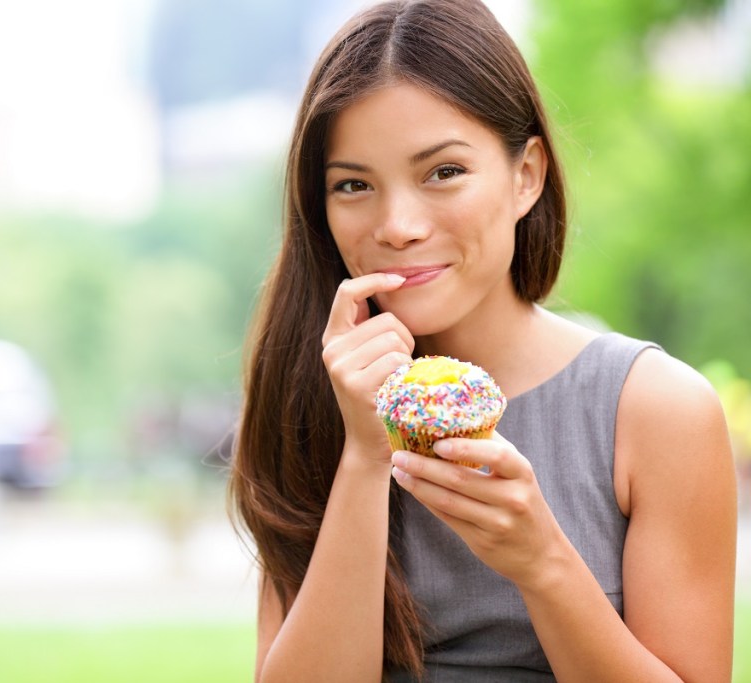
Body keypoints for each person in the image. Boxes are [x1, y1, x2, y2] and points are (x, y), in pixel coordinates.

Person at [227, 0, 738, 680]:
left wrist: (543, 562)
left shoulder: (655, 409)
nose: (398, 224)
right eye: (353, 185)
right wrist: (363, 458)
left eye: (443, 172)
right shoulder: (318, 396)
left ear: (526, 175)